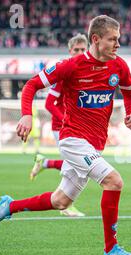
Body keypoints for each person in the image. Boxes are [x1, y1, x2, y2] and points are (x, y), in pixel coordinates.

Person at [0, 15, 131, 255]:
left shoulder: (119, 66)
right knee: (114, 181)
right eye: (113, 39)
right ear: (96, 39)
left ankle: (9, 206)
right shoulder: (70, 66)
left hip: (94, 144)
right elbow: (31, 85)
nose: (118, 44)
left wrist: (130, 114)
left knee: (61, 201)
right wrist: (26, 115)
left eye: (119, 39)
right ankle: (111, 249)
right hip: (72, 140)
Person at [29, 34, 89, 218]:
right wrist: (65, 119)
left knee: (77, 164)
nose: (79, 53)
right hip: (62, 127)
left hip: (77, 127)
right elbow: (49, 103)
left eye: (82, 49)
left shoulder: (87, 72)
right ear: (69, 52)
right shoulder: (64, 73)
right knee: (76, 166)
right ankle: (64, 206)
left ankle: (44, 162)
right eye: (76, 50)